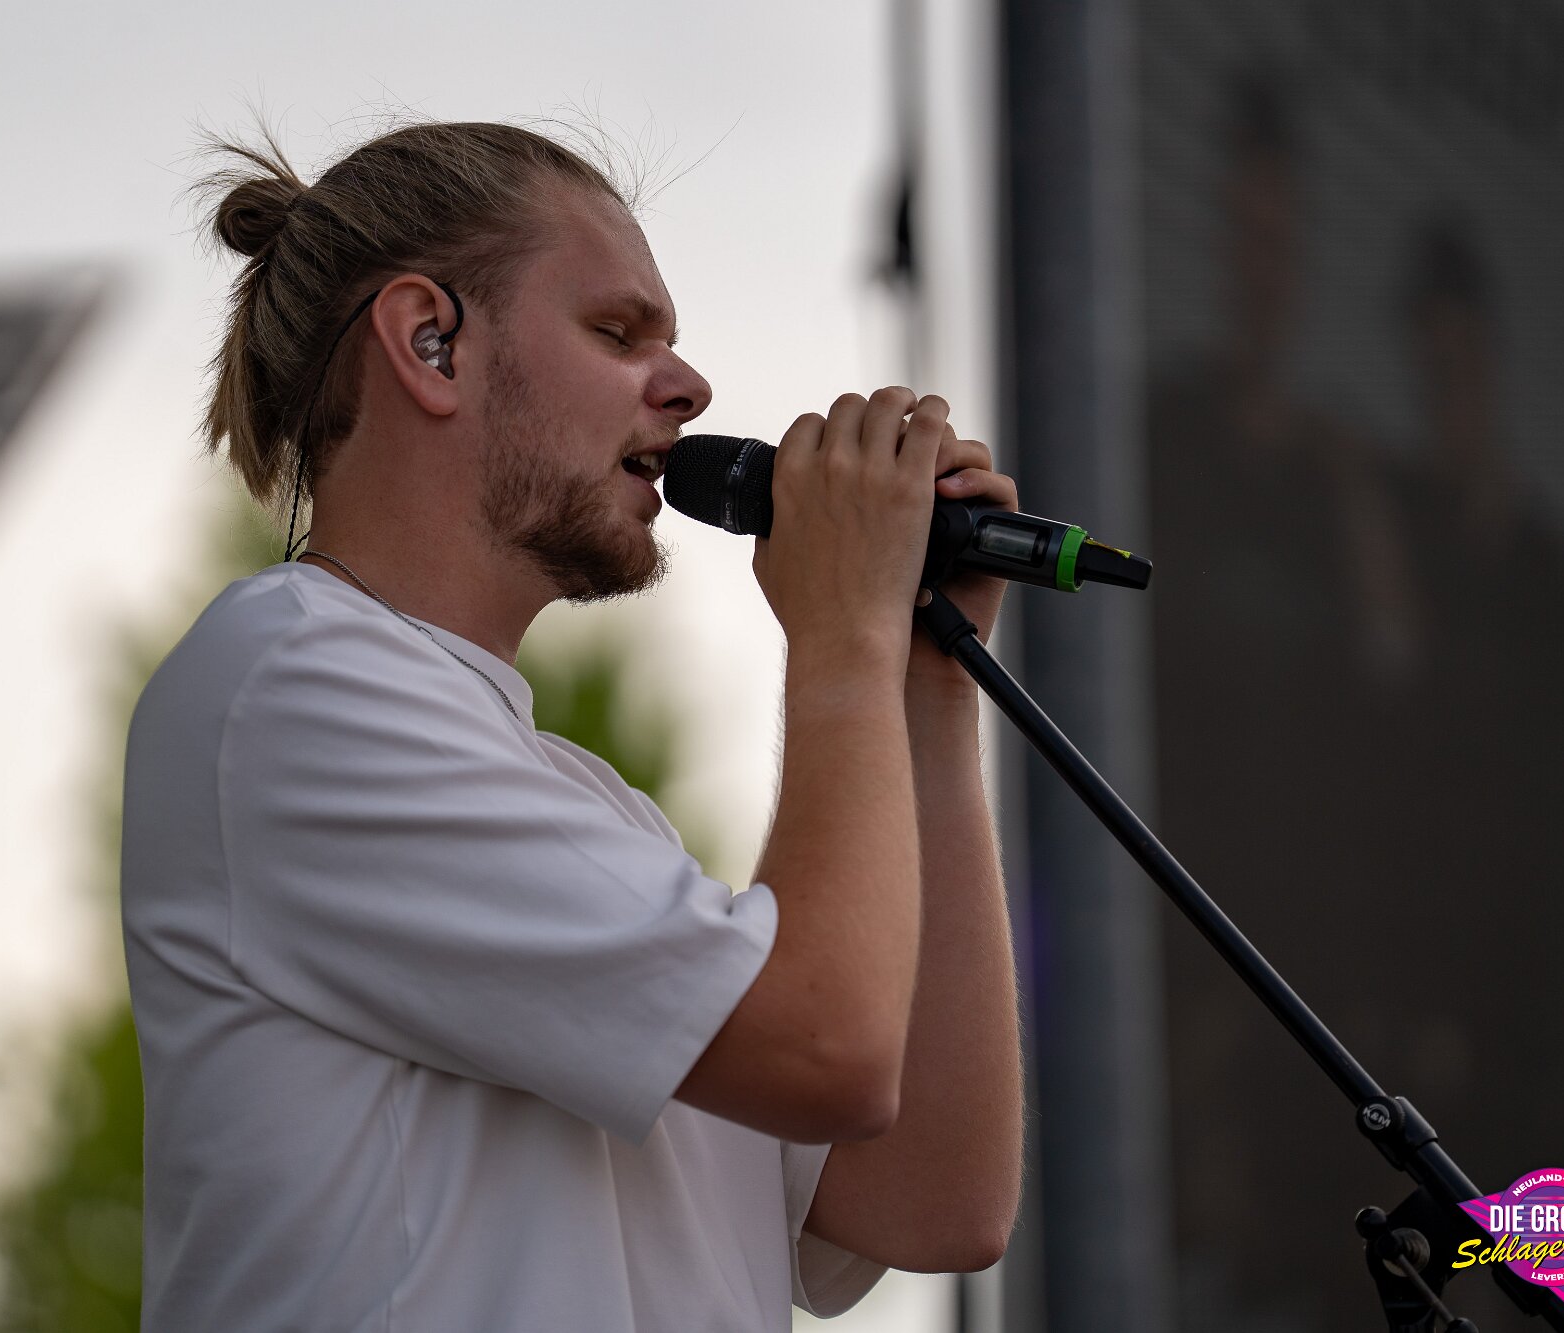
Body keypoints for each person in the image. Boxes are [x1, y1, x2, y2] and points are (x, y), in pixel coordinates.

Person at [119, 119, 1024, 1331]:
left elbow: (935, 1201)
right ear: (429, 341)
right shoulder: (285, 680)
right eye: (616, 331)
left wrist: (925, 681)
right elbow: (826, 1047)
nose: (687, 387)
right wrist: (841, 637)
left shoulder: (597, 812)